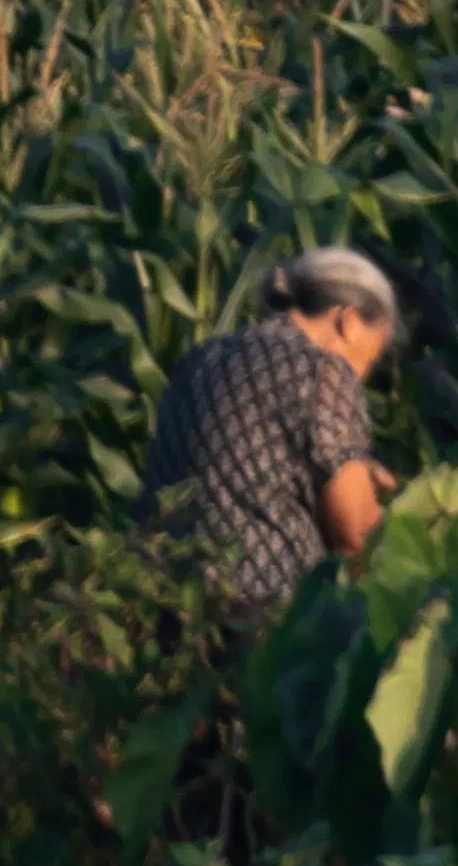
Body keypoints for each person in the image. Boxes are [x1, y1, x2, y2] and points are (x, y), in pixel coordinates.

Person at [141, 248, 402, 631]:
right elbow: (356, 534)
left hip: (172, 605)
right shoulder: (322, 370)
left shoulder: (202, 359)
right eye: (369, 358)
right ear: (346, 320)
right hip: (268, 613)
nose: (360, 376)